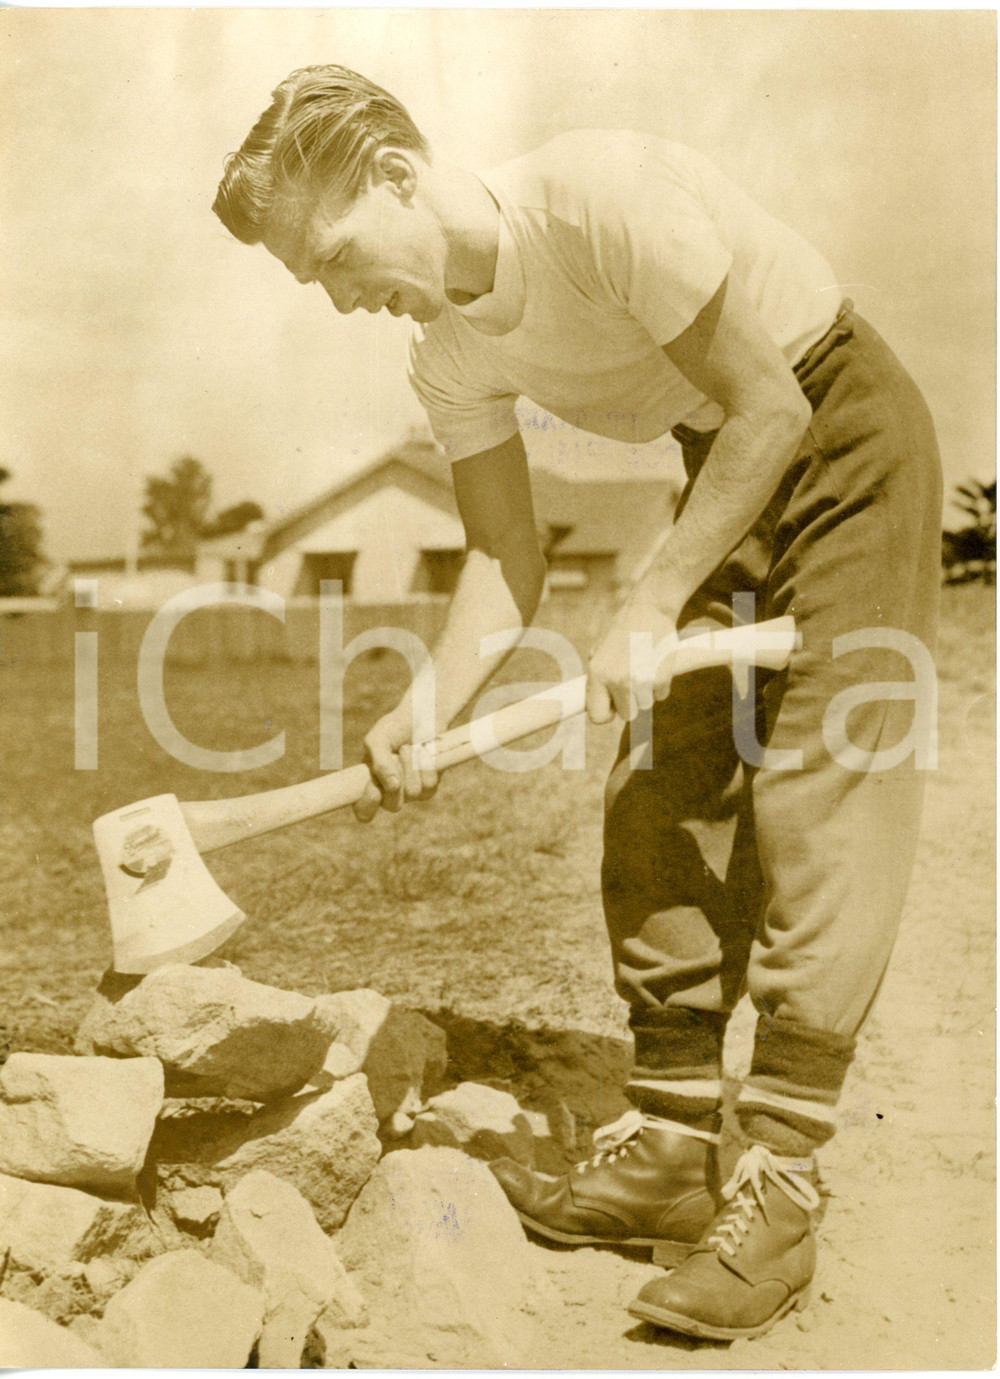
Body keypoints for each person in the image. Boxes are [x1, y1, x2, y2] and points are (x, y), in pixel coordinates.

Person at [213, 65, 942, 1342]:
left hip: (841, 427)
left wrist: (654, 596)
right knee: (659, 777)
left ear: (395, 173)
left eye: (332, 255)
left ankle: (778, 1170)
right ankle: (666, 1142)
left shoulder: (599, 199)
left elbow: (774, 401)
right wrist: (429, 707)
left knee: (823, 782)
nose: (336, 297)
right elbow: (505, 552)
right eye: (308, 282)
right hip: (727, 465)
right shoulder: (446, 352)